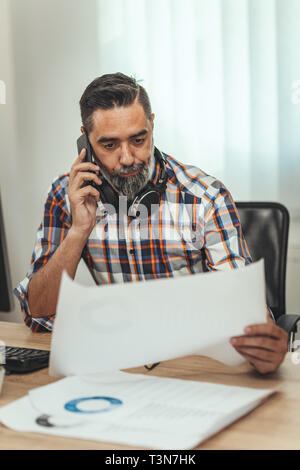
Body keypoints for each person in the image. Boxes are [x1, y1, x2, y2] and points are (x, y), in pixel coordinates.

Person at [14, 73, 288, 374]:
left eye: (138, 139)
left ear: (152, 125)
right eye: (108, 145)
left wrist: (267, 344)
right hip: (122, 367)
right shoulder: (68, 195)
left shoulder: (204, 197)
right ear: (85, 141)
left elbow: (246, 314)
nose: (128, 158)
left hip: (195, 368)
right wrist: (79, 230)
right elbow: (37, 312)